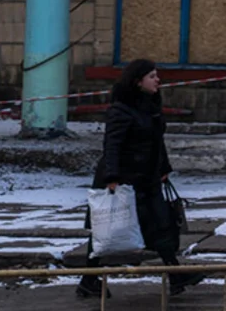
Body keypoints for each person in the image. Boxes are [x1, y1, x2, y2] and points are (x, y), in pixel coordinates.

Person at [78, 60, 202, 299]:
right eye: (152, 76)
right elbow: (112, 145)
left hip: (148, 176)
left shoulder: (151, 105)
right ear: (138, 81)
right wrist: (112, 177)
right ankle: (88, 279)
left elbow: (156, 140)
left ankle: (176, 276)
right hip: (125, 179)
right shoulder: (121, 109)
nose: (158, 80)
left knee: (161, 224)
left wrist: (164, 167)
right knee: (109, 227)